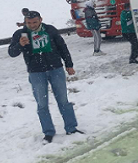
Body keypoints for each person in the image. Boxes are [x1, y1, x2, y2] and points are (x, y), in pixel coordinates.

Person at [8, 10, 83, 143]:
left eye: (34, 22)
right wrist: (20, 45)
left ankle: (71, 128)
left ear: (41, 19)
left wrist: (69, 64)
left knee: (63, 100)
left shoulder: (50, 30)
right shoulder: (20, 34)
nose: (31, 25)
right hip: (36, 72)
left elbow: (62, 47)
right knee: (42, 104)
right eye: (28, 22)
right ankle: (48, 132)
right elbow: (12, 53)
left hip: (56, 69)